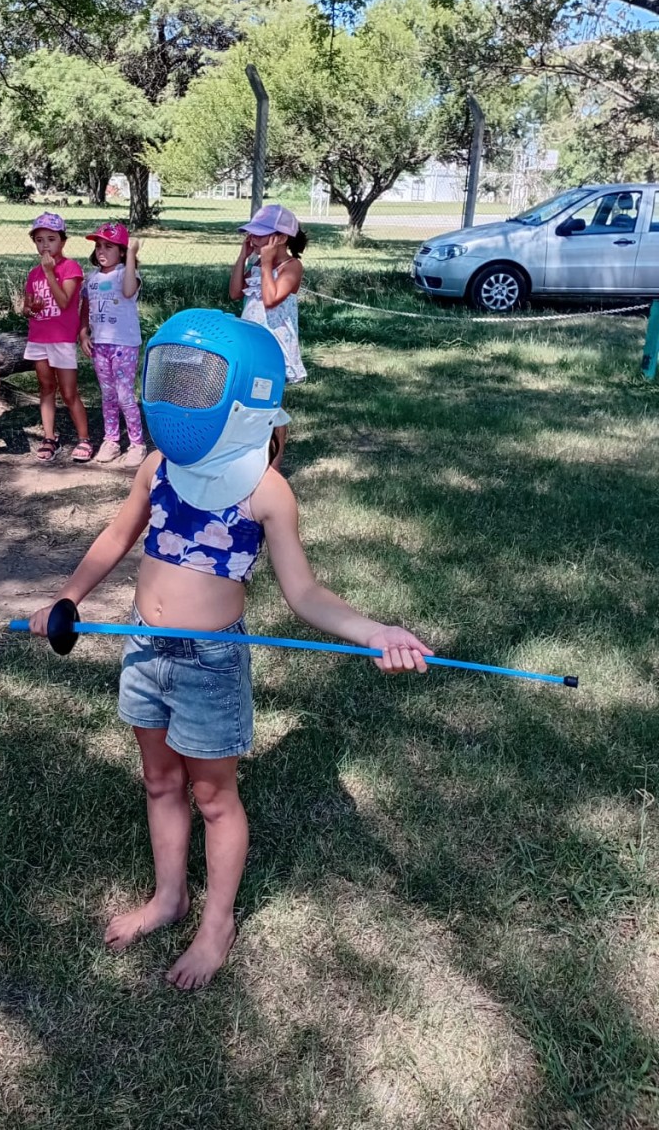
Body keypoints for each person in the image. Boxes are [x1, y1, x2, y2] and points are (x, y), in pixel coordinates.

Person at [29, 310, 432, 991]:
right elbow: (115, 538)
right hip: (141, 647)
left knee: (213, 798)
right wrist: (66, 598)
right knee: (159, 782)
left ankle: (217, 925)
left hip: (208, 664)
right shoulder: (159, 466)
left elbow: (304, 593)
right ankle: (168, 899)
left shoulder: (264, 490)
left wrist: (375, 633)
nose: (181, 400)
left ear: (242, 403)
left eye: (200, 386)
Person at [229, 203, 308, 470]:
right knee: (249, 402)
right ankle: (250, 455)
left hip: (272, 348)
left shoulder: (291, 267)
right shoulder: (256, 265)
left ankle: (273, 465)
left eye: (260, 235)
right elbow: (235, 293)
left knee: (270, 406)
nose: (253, 239)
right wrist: (243, 258)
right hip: (251, 345)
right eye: (251, 234)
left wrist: (265, 264)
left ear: (281, 238)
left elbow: (272, 298)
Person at [23, 212, 92, 463]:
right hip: (39, 337)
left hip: (61, 338)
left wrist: (50, 274)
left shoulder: (70, 268)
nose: (45, 245)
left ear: (62, 241)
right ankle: (49, 437)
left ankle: (84, 438)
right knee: (46, 387)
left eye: (51, 239)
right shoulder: (33, 274)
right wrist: (31, 308)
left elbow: (64, 302)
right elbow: (26, 307)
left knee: (69, 391)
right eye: (39, 240)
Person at [79, 220, 146, 466]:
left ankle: (137, 444)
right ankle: (112, 440)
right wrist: (83, 333)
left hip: (124, 345)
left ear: (121, 250)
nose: (101, 251)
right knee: (107, 394)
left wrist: (131, 256)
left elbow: (128, 291)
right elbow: (85, 307)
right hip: (100, 345)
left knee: (124, 395)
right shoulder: (92, 278)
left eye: (109, 246)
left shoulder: (127, 274)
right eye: (98, 246)